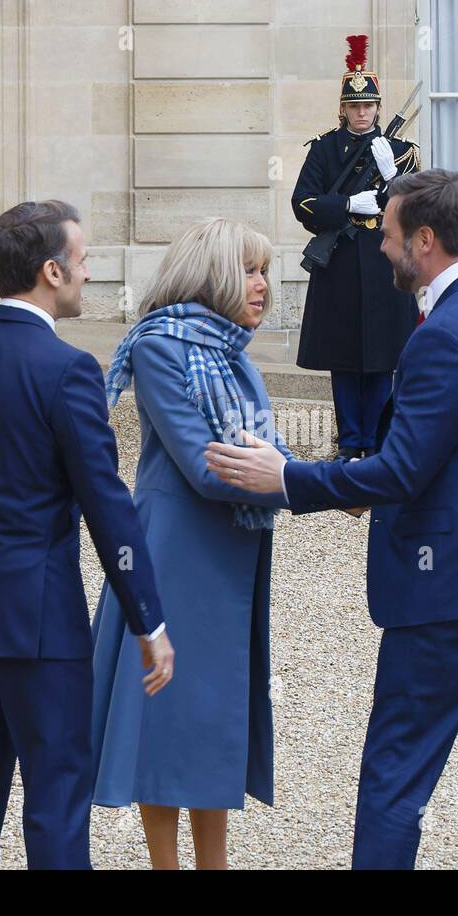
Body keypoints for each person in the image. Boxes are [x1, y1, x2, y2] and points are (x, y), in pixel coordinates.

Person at [206, 170, 458, 869]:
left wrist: (286, 478)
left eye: (388, 234)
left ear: (426, 240)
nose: (381, 249)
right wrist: (350, 484)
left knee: (395, 774)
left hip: (452, 589)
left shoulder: (445, 334)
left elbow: (403, 470)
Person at [0, 200, 174, 869]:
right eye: (82, 260)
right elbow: (108, 505)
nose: (88, 274)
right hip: (36, 617)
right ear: (51, 271)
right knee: (55, 791)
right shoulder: (68, 370)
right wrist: (150, 620)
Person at [91, 218, 296, 870]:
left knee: (212, 716)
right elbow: (209, 467)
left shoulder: (230, 351)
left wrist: (336, 484)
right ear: (212, 275)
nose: (263, 285)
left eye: (266, 270)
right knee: (168, 716)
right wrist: (308, 484)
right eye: (251, 270)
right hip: (175, 552)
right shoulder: (162, 346)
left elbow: (267, 450)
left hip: (228, 549)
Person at [292, 34, 421, 461]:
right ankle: (350, 440)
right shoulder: (326, 148)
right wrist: (346, 204)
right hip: (342, 259)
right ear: (343, 108)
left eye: (369, 106)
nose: (362, 113)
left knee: (385, 356)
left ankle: (379, 440)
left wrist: (392, 179)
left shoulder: (401, 151)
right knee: (344, 357)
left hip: (387, 262)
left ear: (378, 108)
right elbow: (304, 202)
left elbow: (420, 208)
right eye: (355, 105)